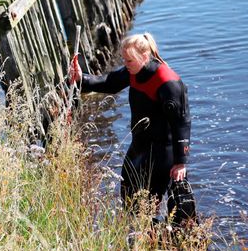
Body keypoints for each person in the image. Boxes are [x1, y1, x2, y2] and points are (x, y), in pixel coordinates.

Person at [69, 33, 196, 226]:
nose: (125, 63)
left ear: (144, 57)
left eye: (129, 60)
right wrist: (81, 78)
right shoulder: (134, 71)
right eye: (124, 59)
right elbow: (109, 83)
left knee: (154, 204)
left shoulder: (168, 82)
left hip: (163, 152)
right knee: (129, 196)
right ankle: (144, 239)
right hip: (140, 145)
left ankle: (165, 241)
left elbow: (182, 122)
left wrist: (180, 162)